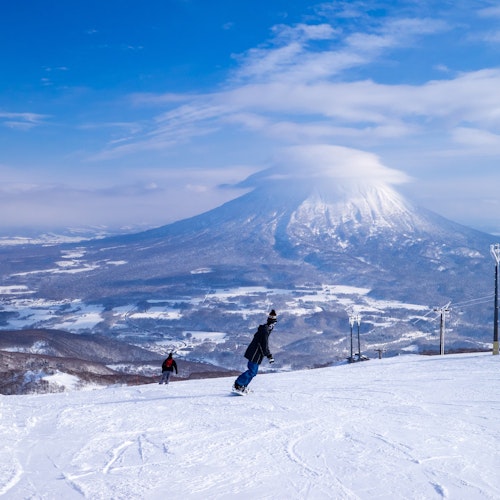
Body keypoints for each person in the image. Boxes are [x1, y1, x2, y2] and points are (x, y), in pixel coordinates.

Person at [233, 309, 277, 393]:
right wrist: (269, 356)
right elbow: (264, 345)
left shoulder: (266, 329)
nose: (274, 325)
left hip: (256, 353)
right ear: (271, 323)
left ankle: (243, 386)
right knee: (252, 371)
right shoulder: (265, 331)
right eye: (274, 323)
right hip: (255, 353)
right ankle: (238, 384)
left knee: (253, 372)